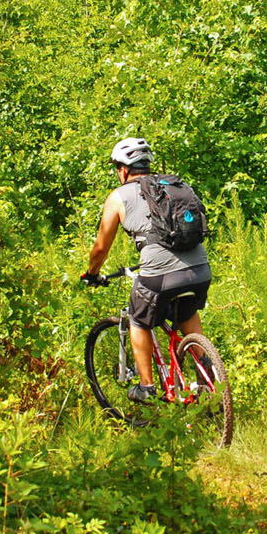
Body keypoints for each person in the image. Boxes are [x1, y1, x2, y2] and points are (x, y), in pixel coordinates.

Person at [80, 137, 210, 403]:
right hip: (200, 269)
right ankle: (209, 378)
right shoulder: (175, 186)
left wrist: (92, 273)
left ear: (123, 169)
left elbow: (101, 248)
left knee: (139, 318)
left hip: (161, 275)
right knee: (186, 313)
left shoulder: (119, 197)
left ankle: (146, 387)